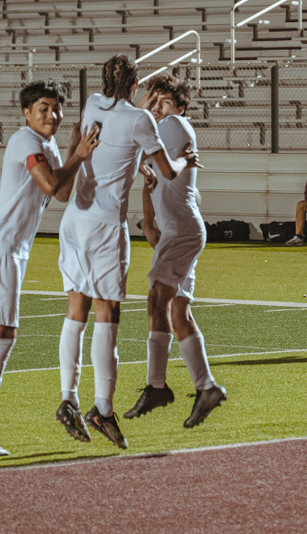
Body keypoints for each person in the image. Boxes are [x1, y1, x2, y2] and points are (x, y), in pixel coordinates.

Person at [0, 80, 101, 456]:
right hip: (2, 251)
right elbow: (48, 184)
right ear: (27, 113)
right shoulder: (26, 141)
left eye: (56, 108)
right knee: (2, 337)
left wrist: (73, 155)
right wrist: (77, 156)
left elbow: (61, 192)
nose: (51, 114)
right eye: (43, 108)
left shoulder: (44, 144)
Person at [56, 55, 201, 449]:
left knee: (76, 309)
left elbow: (110, 149)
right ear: (135, 83)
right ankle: (102, 408)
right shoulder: (141, 121)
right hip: (105, 227)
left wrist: (138, 165)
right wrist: (182, 159)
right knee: (109, 314)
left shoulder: (90, 103)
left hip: (74, 222)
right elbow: (169, 172)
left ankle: (68, 397)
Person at [125, 74, 226, 428]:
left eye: (165, 100)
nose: (158, 105)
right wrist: (149, 220)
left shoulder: (173, 124)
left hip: (182, 228)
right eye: (156, 99)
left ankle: (157, 386)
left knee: (157, 301)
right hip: (178, 228)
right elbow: (149, 174)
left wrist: (142, 114)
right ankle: (207, 387)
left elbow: (141, 154)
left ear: (180, 106)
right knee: (177, 312)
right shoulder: (161, 127)